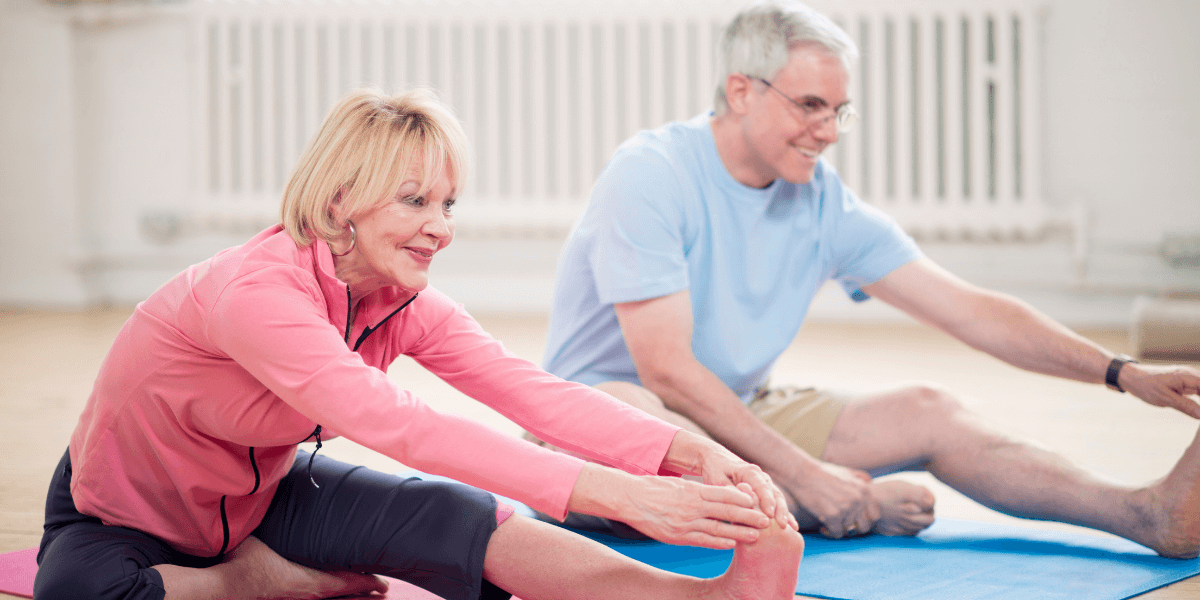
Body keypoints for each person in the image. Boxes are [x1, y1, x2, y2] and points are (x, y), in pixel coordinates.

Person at [33, 87, 806, 600]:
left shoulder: (400, 299)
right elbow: (400, 425)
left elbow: (528, 390)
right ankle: (259, 582)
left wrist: (690, 454)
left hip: (262, 494)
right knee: (78, 595)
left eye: (448, 202)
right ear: (342, 202)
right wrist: (624, 495)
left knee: (456, 514)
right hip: (123, 514)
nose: (441, 225)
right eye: (414, 200)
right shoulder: (256, 295)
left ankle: (706, 597)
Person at [537, 0, 1200, 558]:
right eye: (809, 106)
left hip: (735, 417)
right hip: (600, 427)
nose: (827, 131)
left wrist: (1121, 371)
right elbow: (668, 375)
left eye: (838, 111)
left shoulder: (821, 200)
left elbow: (969, 310)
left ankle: (1146, 516)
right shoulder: (651, 174)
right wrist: (808, 477)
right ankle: (825, 505)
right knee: (632, 410)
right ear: (741, 90)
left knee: (928, 410)